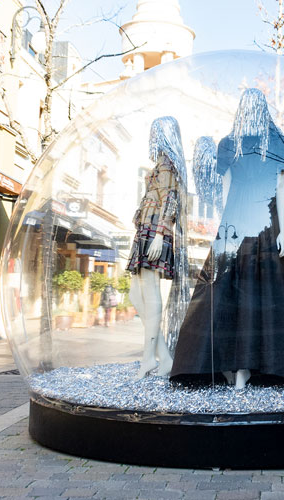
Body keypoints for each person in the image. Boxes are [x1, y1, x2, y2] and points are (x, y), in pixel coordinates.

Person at [171, 88, 284, 389]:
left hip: (245, 222)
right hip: (258, 223)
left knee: (233, 293)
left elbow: (272, 189)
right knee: (249, 294)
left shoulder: (243, 144)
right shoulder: (262, 143)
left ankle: (239, 367)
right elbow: (278, 190)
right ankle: (243, 367)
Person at [126, 116, 187, 379]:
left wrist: (161, 234)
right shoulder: (161, 161)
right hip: (147, 229)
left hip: (154, 230)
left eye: (157, 132)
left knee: (148, 294)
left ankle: (149, 357)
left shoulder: (166, 162)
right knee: (136, 295)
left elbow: (170, 199)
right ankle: (164, 358)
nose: (153, 137)